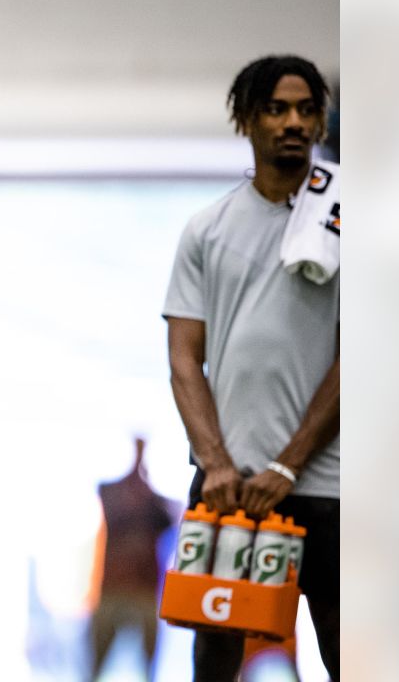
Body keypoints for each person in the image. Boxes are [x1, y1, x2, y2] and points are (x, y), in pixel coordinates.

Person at [162, 55, 340, 681]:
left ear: (320, 122)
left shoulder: (350, 217)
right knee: (213, 659)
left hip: (332, 488)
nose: (293, 122)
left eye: (306, 109)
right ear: (247, 119)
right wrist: (214, 461)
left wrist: (289, 463)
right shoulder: (207, 228)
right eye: (276, 108)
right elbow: (185, 356)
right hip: (229, 487)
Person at [87, 437, 175, 681]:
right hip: (113, 589)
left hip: (144, 591)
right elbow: (113, 507)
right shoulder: (112, 492)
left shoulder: (155, 502)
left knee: (149, 665)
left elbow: (167, 520)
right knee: (95, 662)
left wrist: (142, 481)